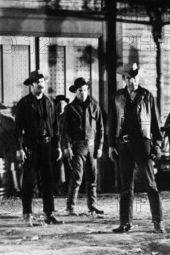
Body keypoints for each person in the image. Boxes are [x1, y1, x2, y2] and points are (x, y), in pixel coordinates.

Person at [108, 63, 165, 234]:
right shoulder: (118, 97)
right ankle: (125, 222)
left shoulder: (147, 96)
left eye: (134, 78)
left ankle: (158, 221)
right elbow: (111, 122)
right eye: (128, 78)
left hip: (143, 145)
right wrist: (111, 145)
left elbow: (155, 123)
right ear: (124, 79)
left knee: (150, 184)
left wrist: (157, 144)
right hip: (123, 145)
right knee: (126, 186)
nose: (131, 81)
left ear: (138, 78)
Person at [15, 70, 63, 227]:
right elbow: (17, 129)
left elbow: (55, 127)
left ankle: (49, 214)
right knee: (29, 181)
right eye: (37, 83)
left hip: (47, 145)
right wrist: (20, 148)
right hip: (31, 146)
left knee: (48, 180)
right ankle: (27, 214)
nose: (40, 85)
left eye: (42, 82)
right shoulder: (24, 104)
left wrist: (57, 146)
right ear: (31, 85)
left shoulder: (49, 103)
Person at [61, 78, 105, 216]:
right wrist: (66, 147)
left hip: (92, 146)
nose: (83, 93)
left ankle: (92, 206)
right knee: (77, 177)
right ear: (75, 92)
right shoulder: (69, 108)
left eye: (85, 90)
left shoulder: (94, 107)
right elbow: (63, 130)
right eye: (80, 91)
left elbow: (101, 129)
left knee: (92, 177)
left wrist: (100, 147)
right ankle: (70, 207)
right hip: (78, 146)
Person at [54, 94, 71, 194]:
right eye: (59, 104)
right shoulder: (53, 117)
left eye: (63, 103)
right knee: (57, 166)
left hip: (67, 144)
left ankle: (68, 187)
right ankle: (57, 188)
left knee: (69, 166)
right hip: (57, 144)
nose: (61, 106)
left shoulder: (69, 116)